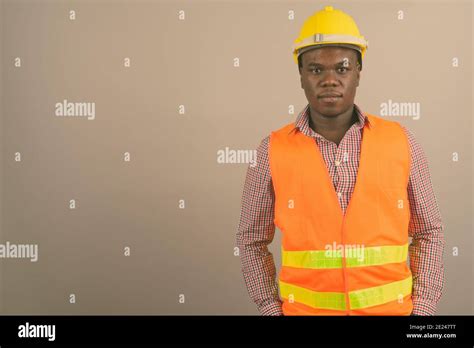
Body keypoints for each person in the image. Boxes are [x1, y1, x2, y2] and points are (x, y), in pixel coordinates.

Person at [236, 6, 445, 316]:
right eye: (316, 69)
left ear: (358, 72)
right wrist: (270, 308)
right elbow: (251, 240)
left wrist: (422, 311)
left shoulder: (402, 141)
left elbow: (429, 232)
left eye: (342, 68)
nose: (329, 80)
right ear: (301, 76)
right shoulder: (271, 150)